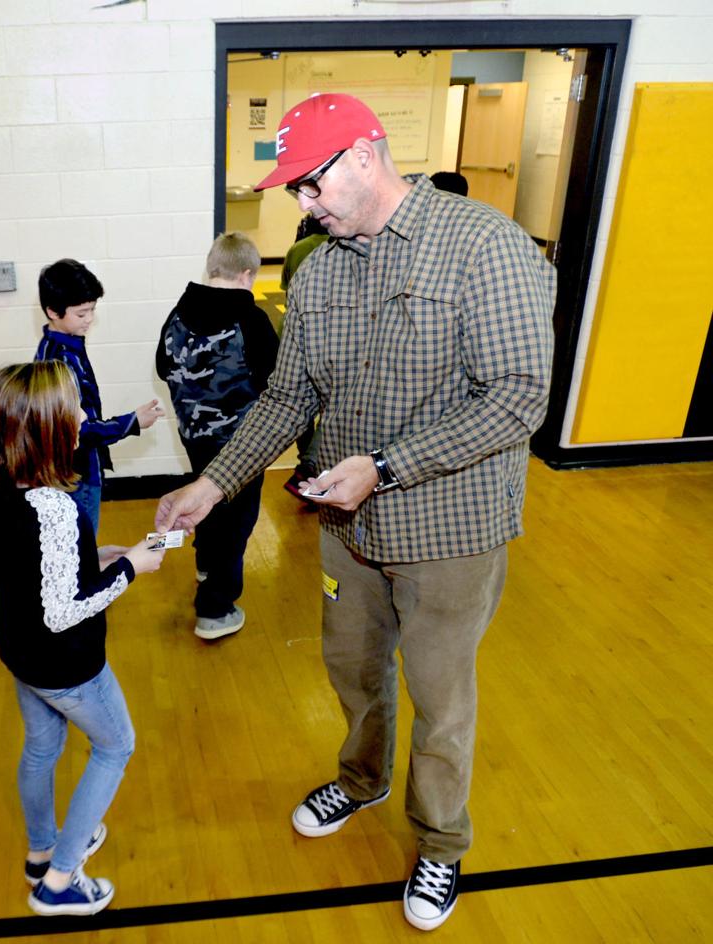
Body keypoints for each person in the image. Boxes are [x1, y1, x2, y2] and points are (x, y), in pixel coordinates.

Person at [154, 92, 555, 931]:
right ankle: (363, 780)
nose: (300, 205)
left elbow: (519, 399)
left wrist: (388, 466)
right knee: (352, 670)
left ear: (363, 159)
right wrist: (213, 483)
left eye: (307, 186)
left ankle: (441, 846)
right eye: (294, 190)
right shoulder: (323, 267)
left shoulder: (484, 247)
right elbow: (288, 395)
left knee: (442, 700)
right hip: (349, 528)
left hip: (450, 530)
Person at [0, 360, 165, 917]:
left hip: (21, 653)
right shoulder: (54, 507)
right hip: (67, 665)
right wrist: (131, 569)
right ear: (49, 428)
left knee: (41, 747)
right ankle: (58, 881)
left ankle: (41, 851)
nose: (86, 415)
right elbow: (65, 611)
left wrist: (99, 558)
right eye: (76, 408)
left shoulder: (8, 487)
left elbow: (40, 575)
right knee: (115, 746)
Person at [155, 231, 278, 640]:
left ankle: (205, 564)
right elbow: (274, 381)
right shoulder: (252, 319)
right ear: (247, 274)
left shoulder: (179, 311)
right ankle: (215, 608)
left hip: (194, 435)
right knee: (237, 520)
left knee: (204, 498)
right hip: (242, 446)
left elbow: (162, 365)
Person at [35, 258, 165, 535]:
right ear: (52, 312)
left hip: (77, 469)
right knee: (83, 552)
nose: (90, 319)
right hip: (77, 475)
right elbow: (78, 429)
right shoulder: (58, 362)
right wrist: (132, 422)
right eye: (81, 314)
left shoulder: (60, 346)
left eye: (92, 310)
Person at [279, 212, 331, 505]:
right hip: (335, 335)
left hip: (299, 333)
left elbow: (286, 291)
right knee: (334, 403)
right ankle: (314, 464)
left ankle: (306, 459)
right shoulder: (344, 246)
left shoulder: (298, 249)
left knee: (300, 401)